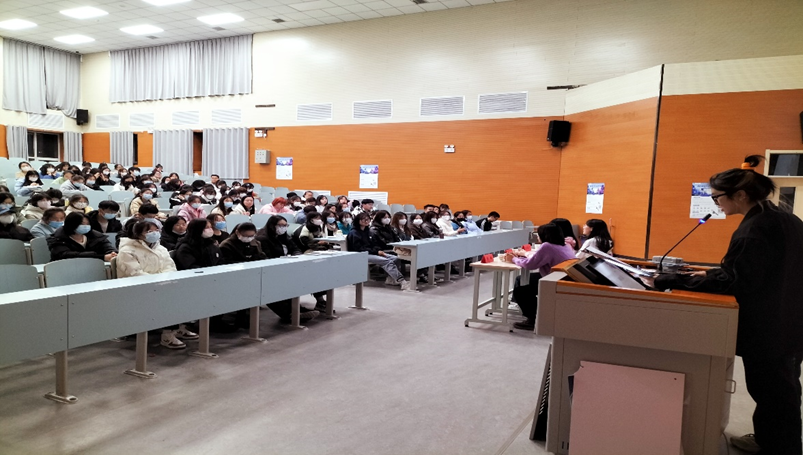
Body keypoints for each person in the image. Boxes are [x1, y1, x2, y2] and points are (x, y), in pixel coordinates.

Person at [654, 156, 803, 455]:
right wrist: (711, 274)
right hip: (791, 319)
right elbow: (757, 270)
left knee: (773, 393)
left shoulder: (754, 229)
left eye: (717, 197)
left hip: (768, 327)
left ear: (741, 195)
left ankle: (780, 448)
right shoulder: (784, 218)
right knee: (782, 390)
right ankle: (769, 440)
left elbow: (737, 282)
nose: (716, 203)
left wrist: (675, 280)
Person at [117, 220, 196, 349]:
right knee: (169, 299)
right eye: (149, 231)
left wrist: (164, 280)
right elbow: (135, 273)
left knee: (188, 293)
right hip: (138, 287)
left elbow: (170, 267)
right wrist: (157, 282)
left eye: (156, 230)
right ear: (138, 234)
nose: (154, 233)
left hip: (161, 284)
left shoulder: (161, 248)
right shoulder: (127, 251)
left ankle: (180, 328)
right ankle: (167, 335)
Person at [508, 223, 575, 331]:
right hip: (563, 277)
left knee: (521, 290)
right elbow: (536, 259)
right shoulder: (565, 245)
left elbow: (530, 265)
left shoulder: (547, 246)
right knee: (521, 279)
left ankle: (534, 319)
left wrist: (513, 259)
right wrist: (523, 257)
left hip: (554, 280)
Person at [256, 215, 326, 317]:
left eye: (286, 225)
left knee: (313, 274)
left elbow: (295, 248)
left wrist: (296, 255)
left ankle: (317, 302)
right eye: (281, 225)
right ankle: (289, 313)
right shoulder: (263, 238)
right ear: (272, 225)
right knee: (279, 286)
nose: (284, 228)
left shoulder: (285, 236)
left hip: (289, 266)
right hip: (273, 270)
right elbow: (267, 257)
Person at [347, 212, 413, 291]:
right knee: (386, 261)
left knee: (396, 258)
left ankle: (391, 279)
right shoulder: (354, 233)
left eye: (367, 219)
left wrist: (377, 250)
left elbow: (374, 244)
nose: (366, 221)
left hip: (371, 252)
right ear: (358, 221)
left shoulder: (368, 231)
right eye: (363, 220)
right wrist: (376, 252)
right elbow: (359, 248)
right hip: (360, 254)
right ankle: (402, 281)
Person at [47, 212, 117, 262]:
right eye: (82, 224)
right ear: (71, 224)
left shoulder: (95, 235)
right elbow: (65, 255)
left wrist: (112, 253)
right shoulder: (58, 238)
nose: (85, 226)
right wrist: (101, 257)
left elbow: (107, 246)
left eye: (87, 224)